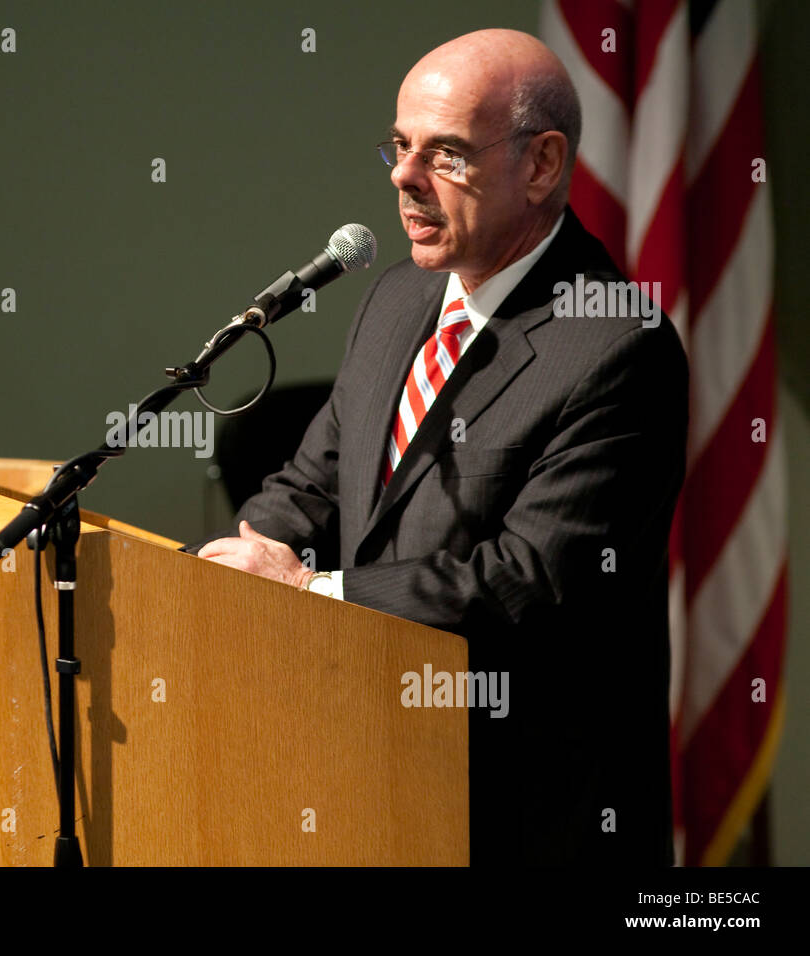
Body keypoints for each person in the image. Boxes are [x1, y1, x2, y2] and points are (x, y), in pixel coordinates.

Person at [188, 29, 686, 865]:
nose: (403, 178)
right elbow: (319, 478)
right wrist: (240, 557)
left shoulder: (615, 346)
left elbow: (527, 584)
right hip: (369, 776)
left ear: (541, 164)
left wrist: (311, 588)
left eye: (445, 154)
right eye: (400, 145)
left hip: (523, 811)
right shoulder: (397, 299)